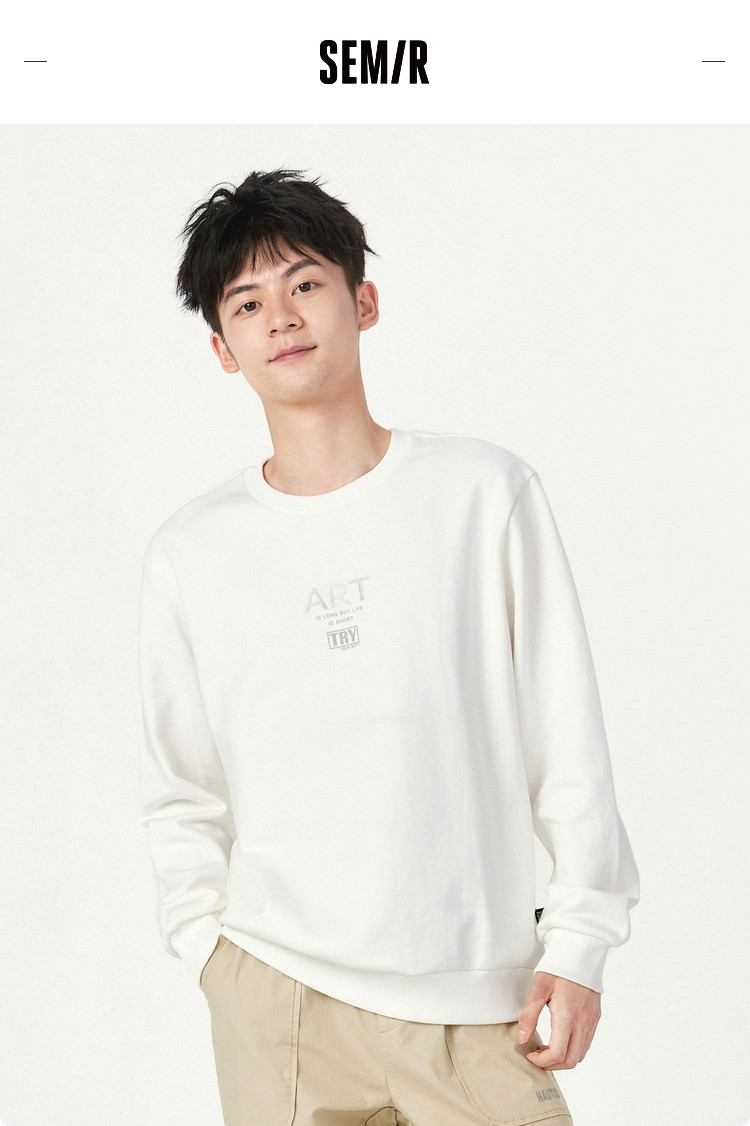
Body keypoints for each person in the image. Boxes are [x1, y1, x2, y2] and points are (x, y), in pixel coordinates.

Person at [138, 169, 639, 1126]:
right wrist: (211, 955)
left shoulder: (482, 494)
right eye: (248, 303)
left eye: (305, 284)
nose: (282, 317)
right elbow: (181, 787)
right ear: (223, 349)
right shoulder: (191, 554)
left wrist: (580, 943)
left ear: (363, 301)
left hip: (476, 1002)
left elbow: (564, 732)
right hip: (280, 1003)